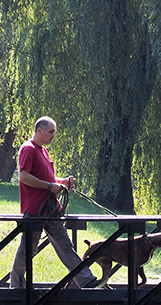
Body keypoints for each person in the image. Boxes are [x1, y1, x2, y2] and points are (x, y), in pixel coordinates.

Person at [8, 116, 98, 289]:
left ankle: (87, 281)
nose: (53, 136)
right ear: (39, 130)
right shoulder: (28, 149)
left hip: (50, 210)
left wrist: (61, 182)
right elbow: (24, 176)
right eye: (50, 132)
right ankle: (16, 287)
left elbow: (44, 176)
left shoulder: (42, 150)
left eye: (54, 132)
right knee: (28, 250)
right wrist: (50, 186)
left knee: (65, 246)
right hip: (35, 210)